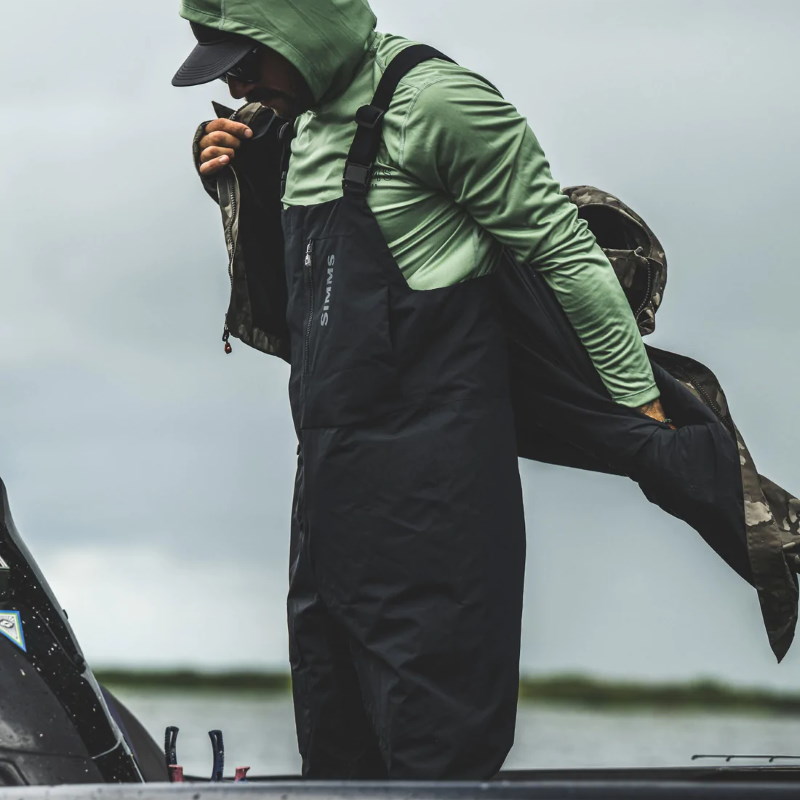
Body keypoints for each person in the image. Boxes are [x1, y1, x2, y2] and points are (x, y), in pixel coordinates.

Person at [171, 0, 677, 780]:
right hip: (328, 500)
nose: (235, 86)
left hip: (439, 506)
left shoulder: (437, 102)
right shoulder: (291, 125)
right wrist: (237, 181)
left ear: (300, 32)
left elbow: (564, 253)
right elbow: (305, 312)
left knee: (436, 756)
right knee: (334, 753)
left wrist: (643, 412)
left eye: (245, 62)